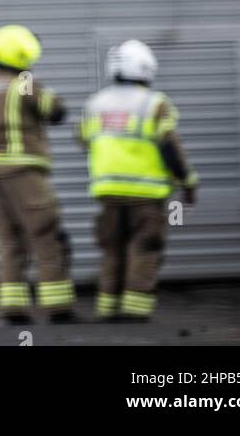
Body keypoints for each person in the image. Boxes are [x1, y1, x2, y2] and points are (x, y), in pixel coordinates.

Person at [79, 39, 198, 322]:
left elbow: (84, 139)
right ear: (146, 68)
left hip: (108, 192)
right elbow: (170, 146)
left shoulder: (96, 103)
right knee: (144, 247)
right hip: (146, 194)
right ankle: (134, 310)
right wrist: (187, 181)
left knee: (112, 249)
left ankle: (107, 307)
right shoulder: (154, 104)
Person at [0, 24, 75, 322]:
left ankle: (13, 307)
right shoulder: (25, 84)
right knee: (46, 235)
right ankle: (59, 308)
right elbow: (57, 112)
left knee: (10, 239)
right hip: (25, 170)